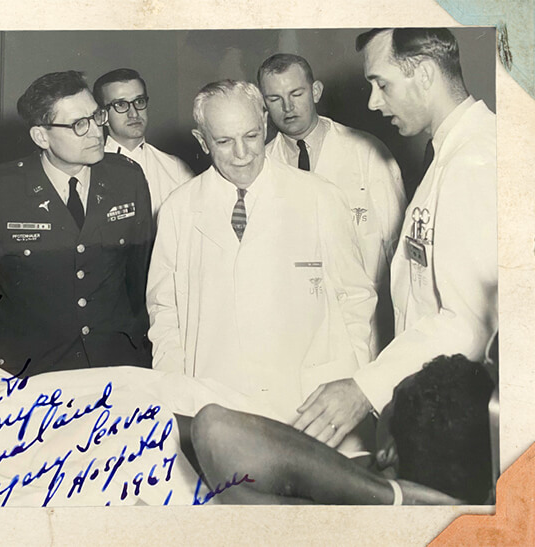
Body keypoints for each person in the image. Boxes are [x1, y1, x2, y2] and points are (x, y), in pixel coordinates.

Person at [293, 28, 498, 448]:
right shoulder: (451, 155)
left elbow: (471, 323)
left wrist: (364, 390)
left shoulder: (475, 163)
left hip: (460, 411)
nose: (372, 101)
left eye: (381, 83)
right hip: (432, 394)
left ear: (423, 74)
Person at [146, 80, 376, 424]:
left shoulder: (319, 196)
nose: (242, 153)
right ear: (202, 141)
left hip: (307, 401)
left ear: (265, 125)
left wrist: (351, 383)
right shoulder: (179, 209)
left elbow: (356, 299)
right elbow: (165, 314)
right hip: (216, 402)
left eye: (251, 136)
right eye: (224, 141)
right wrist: (177, 395)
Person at [0, 70, 153, 376]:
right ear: (41, 136)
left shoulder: (128, 178)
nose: (97, 132)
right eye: (78, 125)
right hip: (32, 372)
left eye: (97, 117)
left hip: (115, 366)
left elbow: (140, 284)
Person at [191, 353, 495, 505]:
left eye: (388, 403)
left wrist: (393, 497)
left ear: (389, 451)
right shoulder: (360, 472)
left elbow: (215, 428)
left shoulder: (345, 511)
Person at [259, 53, 406, 355]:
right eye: (275, 98)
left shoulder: (367, 153)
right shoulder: (261, 166)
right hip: (292, 325)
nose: (287, 107)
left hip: (365, 322)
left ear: (315, 92)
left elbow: (398, 250)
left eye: (296, 94)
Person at [93, 68, 194, 217]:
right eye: (120, 105)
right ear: (103, 116)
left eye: (139, 101)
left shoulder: (176, 169)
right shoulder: (90, 170)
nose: (134, 113)